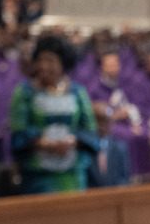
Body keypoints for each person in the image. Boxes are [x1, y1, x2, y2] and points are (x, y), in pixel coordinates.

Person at [9, 35, 99, 194]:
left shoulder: (77, 92)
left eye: (50, 61)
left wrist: (73, 141)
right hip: (37, 175)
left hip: (73, 173)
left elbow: (90, 130)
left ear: (62, 63)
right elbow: (18, 133)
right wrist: (44, 143)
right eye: (40, 60)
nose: (44, 66)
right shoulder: (24, 93)